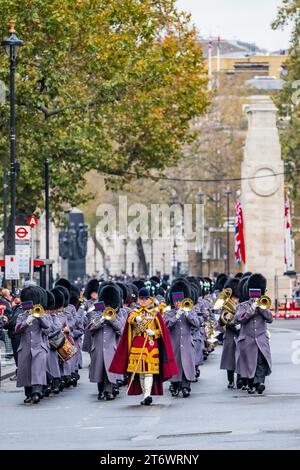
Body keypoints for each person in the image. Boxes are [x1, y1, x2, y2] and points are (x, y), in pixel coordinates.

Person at [109, 287, 178, 406]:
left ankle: (147, 394)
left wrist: (154, 333)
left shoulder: (155, 313)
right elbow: (129, 321)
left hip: (151, 344)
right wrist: (137, 318)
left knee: (149, 372)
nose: (144, 301)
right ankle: (144, 394)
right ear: (139, 300)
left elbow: (162, 331)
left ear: (149, 299)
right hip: (138, 344)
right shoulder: (134, 312)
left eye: (146, 299)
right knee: (140, 372)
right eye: (141, 299)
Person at [235, 273, 273, 395]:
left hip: (261, 339)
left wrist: (261, 308)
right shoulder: (243, 306)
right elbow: (238, 318)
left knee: (261, 361)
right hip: (248, 340)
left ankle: (260, 383)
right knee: (250, 364)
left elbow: (270, 319)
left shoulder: (264, 304)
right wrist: (250, 310)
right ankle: (251, 385)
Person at [88, 283, 125, 400]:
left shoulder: (118, 314)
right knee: (100, 371)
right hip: (98, 347)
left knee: (110, 371)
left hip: (111, 347)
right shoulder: (96, 312)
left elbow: (121, 329)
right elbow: (91, 327)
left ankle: (108, 391)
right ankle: (101, 390)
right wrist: (103, 318)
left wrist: (111, 319)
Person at [164, 280, 200, 398]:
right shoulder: (169, 313)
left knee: (187, 366)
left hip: (187, 343)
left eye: (180, 300)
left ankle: (185, 387)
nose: (178, 303)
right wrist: (177, 316)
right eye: (176, 301)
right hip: (174, 344)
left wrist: (187, 314)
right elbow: (166, 325)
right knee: (175, 366)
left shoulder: (190, 311)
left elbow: (196, 323)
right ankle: (175, 386)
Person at [15, 286, 51, 404]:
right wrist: (28, 320)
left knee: (37, 370)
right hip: (25, 347)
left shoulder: (42, 315)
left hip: (38, 347)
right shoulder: (22, 316)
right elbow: (17, 329)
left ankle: (37, 392)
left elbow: (47, 327)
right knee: (26, 372)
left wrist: (39, 317)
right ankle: (28, 393)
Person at [218, 278, 241, 389]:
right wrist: (226, 319)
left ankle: (240, 379)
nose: (234, 300)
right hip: (230, 336)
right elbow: (221, 322)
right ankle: (231, 380)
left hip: (240, 335)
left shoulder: (241, 305)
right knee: (229, 360)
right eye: (233, 297)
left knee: (241, 358)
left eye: (236, 297)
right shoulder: (225, 306)